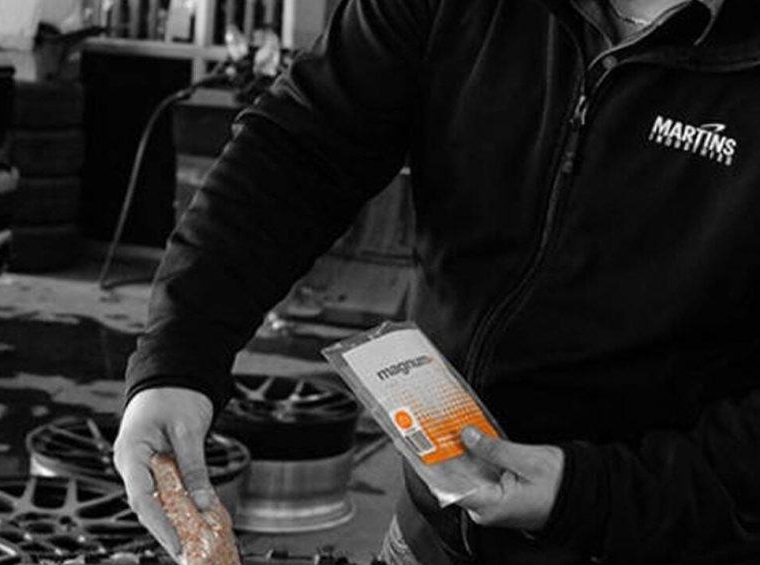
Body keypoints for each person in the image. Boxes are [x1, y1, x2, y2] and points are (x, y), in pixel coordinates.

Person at [113, 0, 760, 563]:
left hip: (673, 536)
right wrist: (179, 357)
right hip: (435, 533)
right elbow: (299, 152)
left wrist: (583, 492)